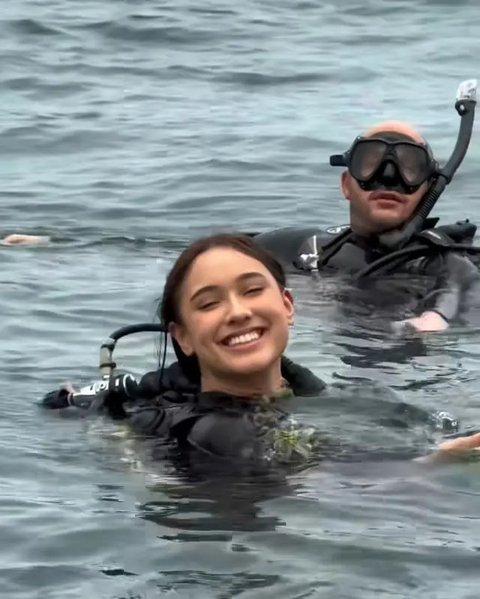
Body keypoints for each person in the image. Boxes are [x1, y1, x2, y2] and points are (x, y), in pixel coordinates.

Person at [41, 233, 480, 467]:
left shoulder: (321, 397)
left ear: (287, 306)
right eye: (208, 303)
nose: (237, 312)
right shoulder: (201, 430)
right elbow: (337, 479)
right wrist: (431, 464)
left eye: (253, 291)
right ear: (183, 336)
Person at [254, 120, 480, 333]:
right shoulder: (305, 248)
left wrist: (435, 317)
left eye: (410, 169)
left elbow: (459, 286)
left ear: (427, 191)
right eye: (369, 164)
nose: (388, 178)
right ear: (345, 185)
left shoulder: (448, 267)